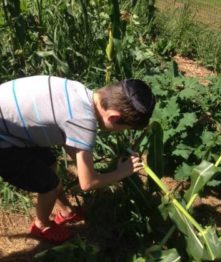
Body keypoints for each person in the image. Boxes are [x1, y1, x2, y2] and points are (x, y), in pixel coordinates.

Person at [0, 75, 156, 243]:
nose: (121, 132)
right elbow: (87, 183)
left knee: (50, 164)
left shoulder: (78, 91)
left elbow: (67, 137)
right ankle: (41, 226)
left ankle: (66, 211)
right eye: (124, 128)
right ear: (113, 117)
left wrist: (88, 167)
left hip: (14, 127)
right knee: (49, 186)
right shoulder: (84, 121)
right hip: (4, 141)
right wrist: (122, 172)